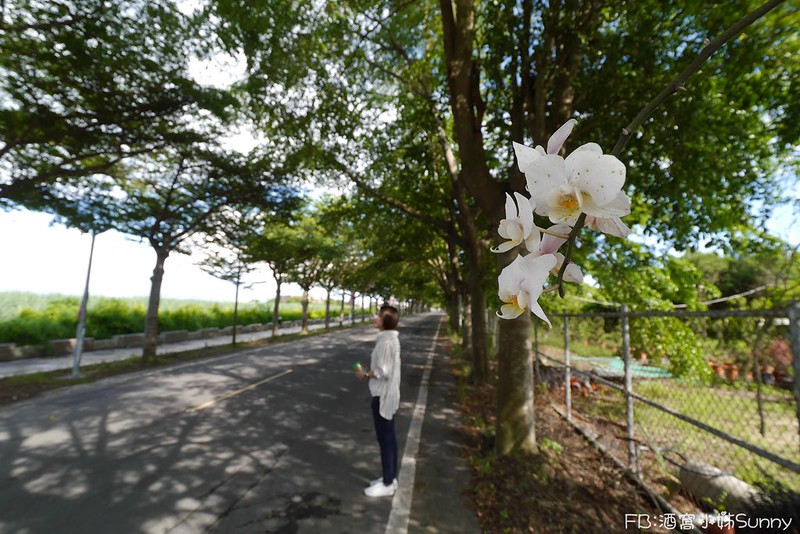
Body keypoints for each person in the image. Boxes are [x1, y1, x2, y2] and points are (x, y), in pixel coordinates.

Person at [355, 304, 401, 497]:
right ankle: (389, 477)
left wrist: (364, 373)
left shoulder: (385, 342)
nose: (375, 318)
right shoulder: (391, 339)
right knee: (390, 438)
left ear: (384, 321)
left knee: (385, 440)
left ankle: (388, 483)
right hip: (389, 394)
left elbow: (382, 372)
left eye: (378, 315)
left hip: (382, 397)